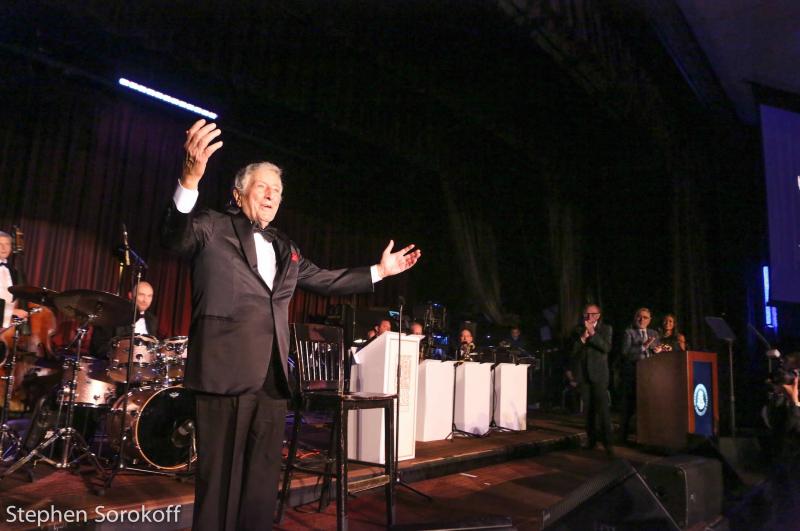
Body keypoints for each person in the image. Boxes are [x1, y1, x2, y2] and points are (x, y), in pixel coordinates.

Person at [162, 119, 421, 531]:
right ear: (238, 193)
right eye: (263, 187)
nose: (272, 195)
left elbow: (328, 280)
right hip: (223, 374)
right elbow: (174, 236)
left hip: (273, 380)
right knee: (219, 484)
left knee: (261, 486)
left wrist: (379, 271)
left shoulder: (286, 247)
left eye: (278, 191)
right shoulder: (211, 226)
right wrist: (189, 179)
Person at [570, 303, 614, 456]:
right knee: (588, 411)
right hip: (583, 375)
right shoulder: (577, 330)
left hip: (599, 375)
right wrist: (583, 338)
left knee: (603, 411)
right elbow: (573, 352)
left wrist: (593, 333)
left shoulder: (606, 329)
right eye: (586, 315)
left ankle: (608, 444)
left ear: (598, 315)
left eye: (592, 314)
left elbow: (606, 348)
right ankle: (591, 440)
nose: (588, 317)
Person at [620, 308, 665, 444]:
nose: (642, 320)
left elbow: (657, 352)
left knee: (648, 407)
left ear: (650, 320)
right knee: (629, 407)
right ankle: (623, 437)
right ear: (635, 318)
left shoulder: (654, 333)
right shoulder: (629, 332)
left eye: (645, 318)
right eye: (639, 317)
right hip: (633, 374)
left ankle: (647, 437)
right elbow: (625, 353)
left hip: (650, 376)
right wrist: (643, 347)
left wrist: (658, 350)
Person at [89, 281, 159, 359]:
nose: (145, 300)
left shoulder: (152, 319)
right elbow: (99, 348)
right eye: (141, 295)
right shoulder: (111, 315)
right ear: (130, 295)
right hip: (116, 365)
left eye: (149, 296)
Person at [0, 231, 28, 328]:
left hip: (9, 325)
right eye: (0, 244)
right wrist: (11, 311)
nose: (4, 248)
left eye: (7, 244)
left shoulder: (15, 272)